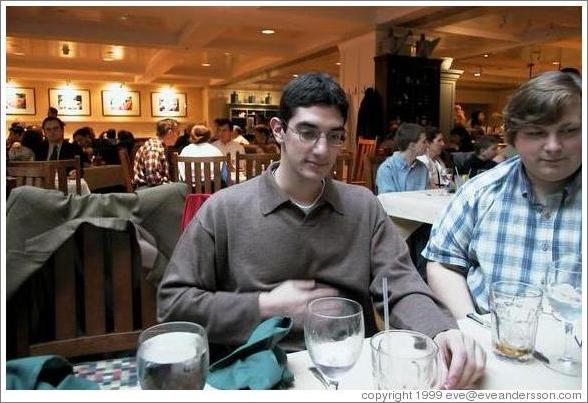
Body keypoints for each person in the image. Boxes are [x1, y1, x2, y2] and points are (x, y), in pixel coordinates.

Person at [158, 73, 485, 389]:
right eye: (307, 132)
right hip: (255, 373)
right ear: (278, 130)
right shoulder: (224, 210)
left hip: (349, 367)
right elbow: (173, 305)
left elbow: (400, 284)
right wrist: (264, 305)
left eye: (334, 135)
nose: (322, 149)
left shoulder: (363, 206)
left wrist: (440, 330)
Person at [422, 71, 582, 319]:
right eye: (536, 133)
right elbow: (443, 262)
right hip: (489, 336)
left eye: (569, 131)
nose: (553, 146)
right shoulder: (480, 192)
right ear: (513, 138)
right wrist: (470, 325)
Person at [375, 123, 429, 194]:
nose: (427, 145)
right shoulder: (387, 169)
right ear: (412, 146)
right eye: (424, 142)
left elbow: (426, 196)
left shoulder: (423, 168)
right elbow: (387, 199)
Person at [132, 118, 179, 189]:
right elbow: (152, 178)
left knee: (180, 187)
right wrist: (170, 185)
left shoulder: (157, 145)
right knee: (181, 187)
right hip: (146, 189)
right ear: (170, 133)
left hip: (150, 187)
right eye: (178, 133)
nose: (178, 136)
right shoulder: (154, 148)